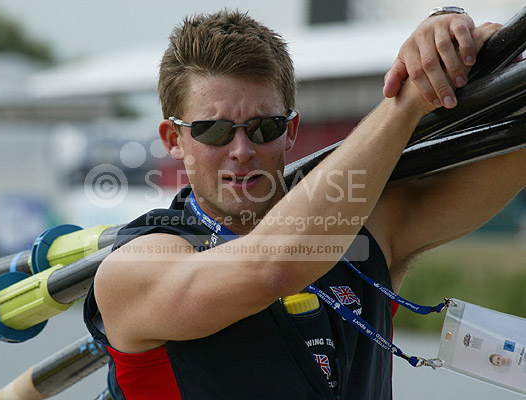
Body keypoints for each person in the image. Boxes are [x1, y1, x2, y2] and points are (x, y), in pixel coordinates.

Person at [84, 8, 524, 399]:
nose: (242, 150)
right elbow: (272, 267)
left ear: (291, 130)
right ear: (173, 140)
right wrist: (409, 98)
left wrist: (461, 47)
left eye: (264, 127)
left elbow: (515, 157)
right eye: (214, 131)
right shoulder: (135, 269)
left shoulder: (369, 227)